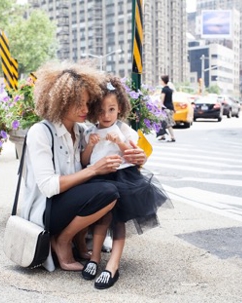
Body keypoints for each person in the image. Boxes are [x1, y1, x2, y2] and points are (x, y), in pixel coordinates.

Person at [19, 62, 148, 273]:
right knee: (107, 191)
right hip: (47, 209)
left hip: (71, 204)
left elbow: (114, 139)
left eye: (88, 103)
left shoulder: (81, 131)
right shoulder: (40, 132)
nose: (86, 110)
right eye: (79, 103)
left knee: (111, 190)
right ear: (61, 101)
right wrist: (94, 169)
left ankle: (79, 242)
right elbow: (48, 187)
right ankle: (62, 240)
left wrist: (139, 156)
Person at [80, 75, 170, 289]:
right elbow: (85, 160)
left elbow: (133, 155)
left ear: (119, 108)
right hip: (99, 178)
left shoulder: (124, 130)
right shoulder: (91, 131)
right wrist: (91, 146)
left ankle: (113, 264)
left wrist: (119, 141)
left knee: (118, 222)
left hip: (122, 178)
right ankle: (94, 259)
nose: (106, 115)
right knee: (101, 220)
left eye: (111, 109)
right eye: (101, 111)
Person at [158, 75, 176, 142]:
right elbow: (170, 100)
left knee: (168, 123)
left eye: (160, 80)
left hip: (165, 109)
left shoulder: (164, 89)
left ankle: (172, 137)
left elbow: (162, 100)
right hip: (170, 108)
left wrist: (159, 108)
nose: (160, 81)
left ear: (163, 81)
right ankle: (163, 136)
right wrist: (174, 108)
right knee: (163, 122)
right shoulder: (170, 90)